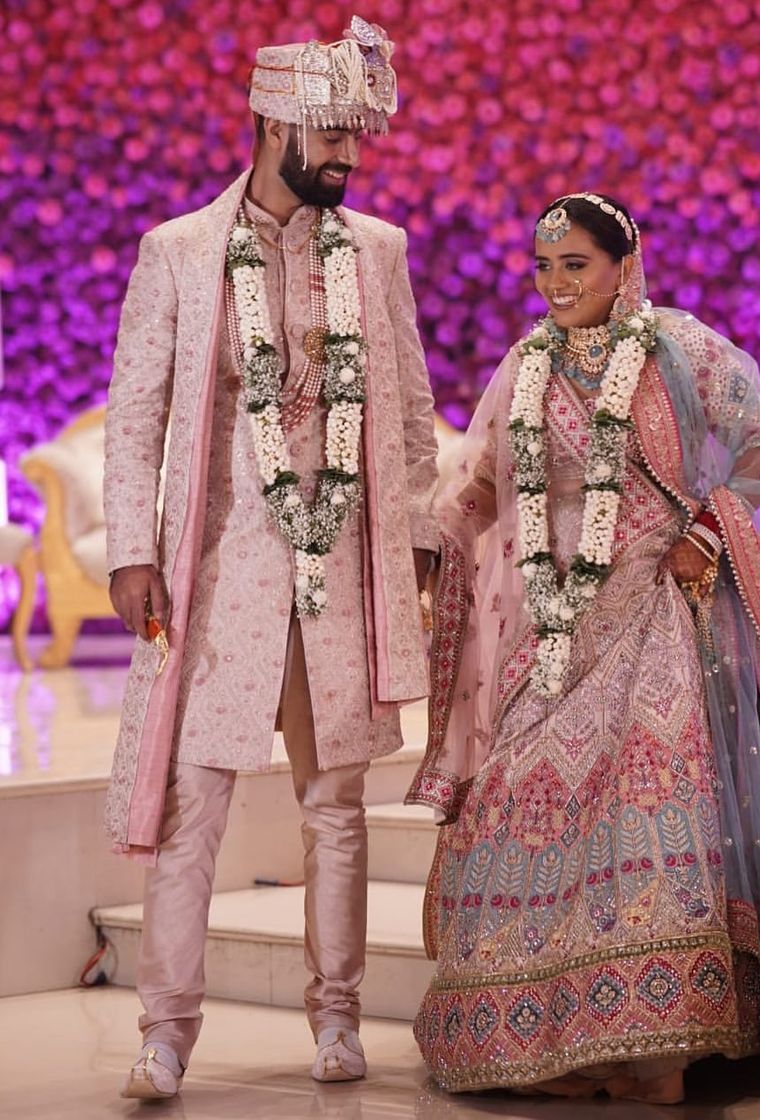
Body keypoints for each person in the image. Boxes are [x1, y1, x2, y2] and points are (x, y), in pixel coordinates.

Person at [406, 192, 760, 1104]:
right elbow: (481, 483)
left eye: (576, 265)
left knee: (648, 793)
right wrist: (427, 544)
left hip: (657, 604)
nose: (557, 284)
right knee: (522, 788)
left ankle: (662, 1052)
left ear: (622, 265)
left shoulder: (678, 348)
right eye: (544, 267)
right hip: (555, 626)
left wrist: (708, 535)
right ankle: (560, 1043)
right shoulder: (525, 366)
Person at [103, 16, 438, 1100]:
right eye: (329, 135)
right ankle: (165, 1034)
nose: (347, 156)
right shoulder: (180, 252)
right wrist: (133, 550)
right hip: (219, 575)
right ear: (269, 123)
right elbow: (135, 415)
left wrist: (418, 539)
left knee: (336, 806)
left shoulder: (376, 251)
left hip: (337, 574)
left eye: (356, 137)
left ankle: (338, 1021)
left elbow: (412, 409)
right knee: (191, 806)